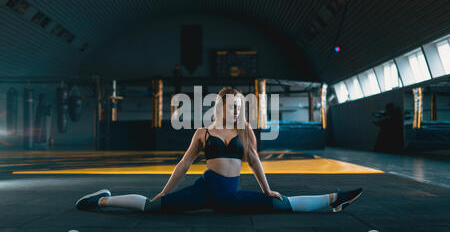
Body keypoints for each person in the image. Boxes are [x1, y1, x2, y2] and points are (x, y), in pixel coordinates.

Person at [76, 87, 362, 214]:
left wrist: (267, 190)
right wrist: (165, 190)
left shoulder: (244, 131)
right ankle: (102, 200)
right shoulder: (203, 132)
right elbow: (184, 165)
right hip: (205, 191)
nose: (237, 110)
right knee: (153, 207)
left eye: (240, 106)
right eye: (233, 105)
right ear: (221, 106)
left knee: (281, 204)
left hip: (232, 198)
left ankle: (335, 198)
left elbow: (255, 163)